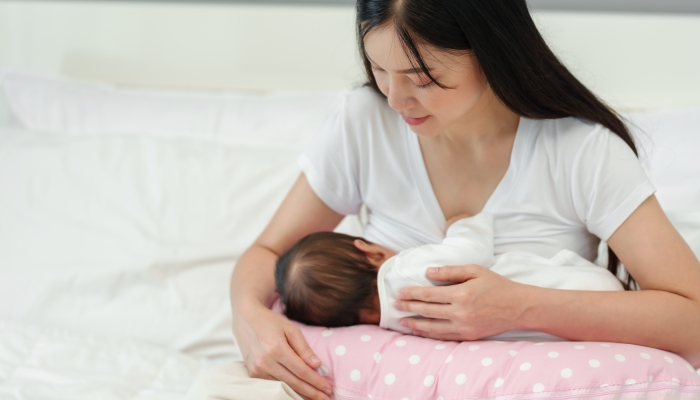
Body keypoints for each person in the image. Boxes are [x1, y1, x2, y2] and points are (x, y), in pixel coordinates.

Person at [230, 1, 700, 399]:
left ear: (491, 51)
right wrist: (250, 319)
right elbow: (269, 253)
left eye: (422, 77)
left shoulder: (580, 152)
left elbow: (692, 317)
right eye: (378, 70)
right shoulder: (363, 122)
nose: (395, 99)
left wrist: (520, 307)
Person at [275, 213, 622, 340]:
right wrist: (464, 222)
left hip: (554, 336)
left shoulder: (399, 326)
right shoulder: (404, 269)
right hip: (586, 289)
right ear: (370, 251)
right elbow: (470, 252)